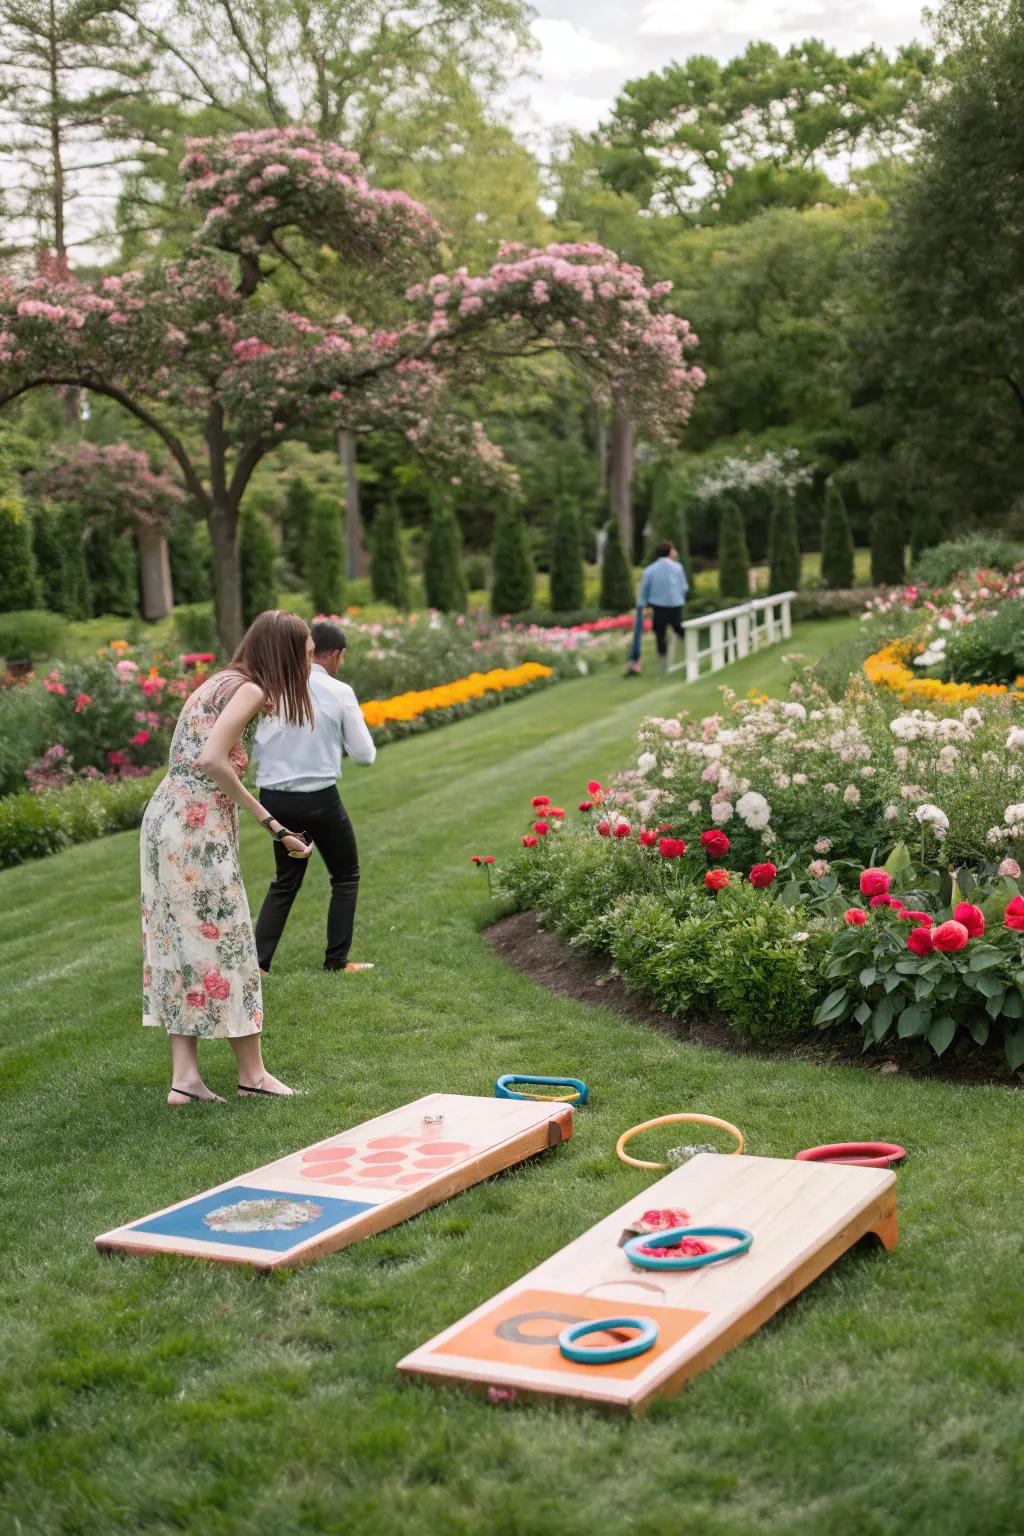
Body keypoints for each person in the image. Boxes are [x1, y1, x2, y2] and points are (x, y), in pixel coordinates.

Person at [141, 610, 315, 1105]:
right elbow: (211, 758)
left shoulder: (223, 680)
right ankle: (253, 1077)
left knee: (179, 945)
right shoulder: (250, 690)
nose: (307, 667)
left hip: (166, 821)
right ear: (283, 653)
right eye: (303, 656)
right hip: (194, 829)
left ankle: (186, 1082)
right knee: (234, 942)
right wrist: (275, 826)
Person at [252, 618, 376, 977]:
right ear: (335, 654)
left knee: (286, 880)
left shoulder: (270, 688)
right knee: (345, 875)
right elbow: (365, 755)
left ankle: (259, 964)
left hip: (274, 800)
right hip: (321, 797)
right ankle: (336, 960)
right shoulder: (338, 691)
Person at [625, 539, 689, 675]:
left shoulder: (650, 570)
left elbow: (644, 590)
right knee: (679, 629)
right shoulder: (678, 567)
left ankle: (663, 664)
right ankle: (693, 648)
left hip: (658, 607)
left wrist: (641, 606)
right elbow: (684, 587)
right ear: (669, 552)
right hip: (676, 605)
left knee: (660, 634)